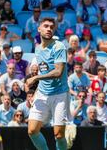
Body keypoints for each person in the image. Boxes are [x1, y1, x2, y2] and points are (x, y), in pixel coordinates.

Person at [25, 17, 70, 150]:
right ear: (39, 29)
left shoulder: (59, 46)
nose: (49, 29)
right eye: (45, 26)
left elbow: (58, 72)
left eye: (51, 26)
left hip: (60, 94)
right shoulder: (38, 49)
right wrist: (37, 91)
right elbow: (45, 69)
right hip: (42, 94)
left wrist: (36, 78)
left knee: (59, 135)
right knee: (32, 131)